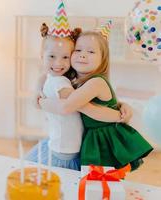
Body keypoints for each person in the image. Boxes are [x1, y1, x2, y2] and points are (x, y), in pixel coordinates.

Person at [38, 24, 153, 170]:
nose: (83, 54)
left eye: (91, 51)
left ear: (102, 58)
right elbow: (45, 76)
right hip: (91, 137)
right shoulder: (75, 80)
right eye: (78, 50)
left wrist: (41, 101)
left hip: (104, 141)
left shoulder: (96, 82)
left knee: (101, 180)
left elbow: (68, 106)